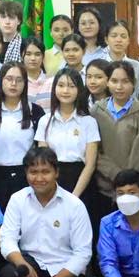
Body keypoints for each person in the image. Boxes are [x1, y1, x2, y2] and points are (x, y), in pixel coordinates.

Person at [0, 146, 93, 277]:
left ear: (56, 172)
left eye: (45, 172)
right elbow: (7, 239)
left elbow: (83, 253)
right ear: (26, 173)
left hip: (63, 267)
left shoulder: (74, 205)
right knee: (8, 276)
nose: (39, 178)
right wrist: (21, 264)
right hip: (29, 262)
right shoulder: (17, 199)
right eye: (33, 172)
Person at [92, 60, 139, 230]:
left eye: (125, 81)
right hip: (103, 189)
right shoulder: (96, 111)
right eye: (114, 81)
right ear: (107, 82)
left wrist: (126, 183)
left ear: (133, 83)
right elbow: (94, 151)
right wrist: (115, 175)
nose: (119, 87)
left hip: (135, 190)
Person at [0, 63, 46, 211]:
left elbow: (41, 150)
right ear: (1, 81)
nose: (13, 84)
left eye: (19, 80)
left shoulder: (36, 112)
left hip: (28, 177)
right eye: (9, 79)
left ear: (25, 84)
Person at [36, 68, 100, 202]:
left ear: (79, 90)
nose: (65, 90)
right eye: (61, 85)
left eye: (71, 86)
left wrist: (74, 197)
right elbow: (43, 161)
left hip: (82, 183)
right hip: (52, 181)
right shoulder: (45, 121)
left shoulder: (89, 122)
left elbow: (90, 165)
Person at [102, 22, 139, 98]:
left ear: (128, 41)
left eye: (123, 36)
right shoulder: (98, 65)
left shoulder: (137, 67)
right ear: (106, 40)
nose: (118, 40)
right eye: (114, 36)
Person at [23, 37, 53, 112]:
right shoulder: (18, 82)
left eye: (37, 54)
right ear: (21, 56)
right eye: (28, 54)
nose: (33, 58)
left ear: (43, 57)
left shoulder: (52, 82)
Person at [0, 0, 28, 65]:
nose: (7, 22)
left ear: (19, 21)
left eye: (12, 18)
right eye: (3, 17)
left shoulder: (26, 45)